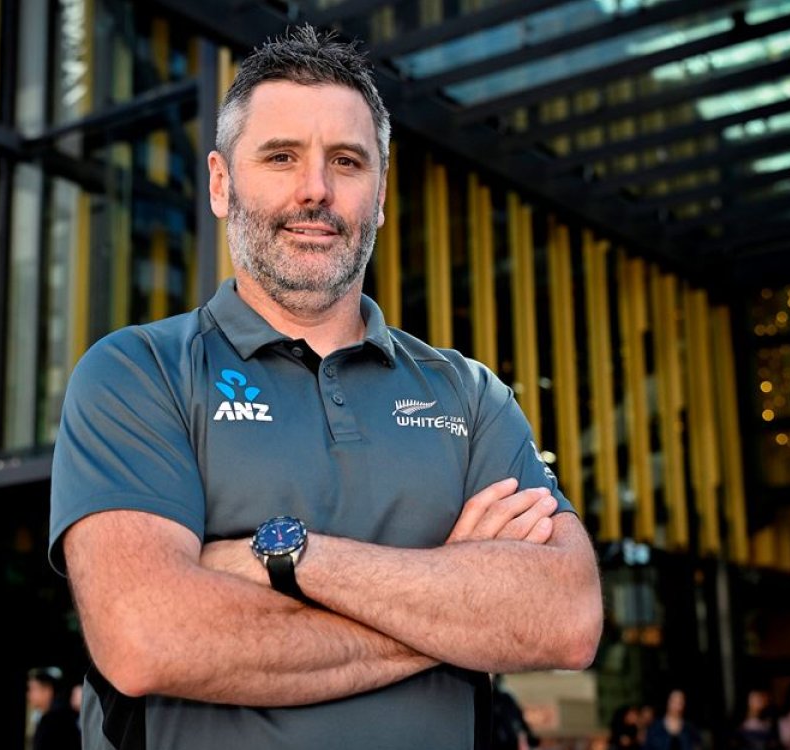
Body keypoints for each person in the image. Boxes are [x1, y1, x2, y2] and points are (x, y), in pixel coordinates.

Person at [51, 24, 603, 750]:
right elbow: (146, 636)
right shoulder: (139, 372)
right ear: (221, 183)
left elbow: (566, 618)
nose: (316, 190)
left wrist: (284, 557)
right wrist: (456, 610)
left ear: (380, 194)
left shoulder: (470, 397)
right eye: (281, 157)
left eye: (346, 161)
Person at [27, 667, 80, 750]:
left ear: (47, 691)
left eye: (33, 689)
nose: (29, 694)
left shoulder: (57, 722)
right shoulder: (44, 717)